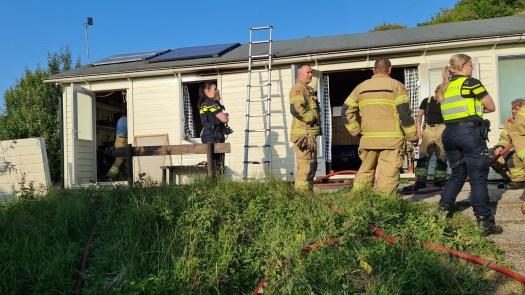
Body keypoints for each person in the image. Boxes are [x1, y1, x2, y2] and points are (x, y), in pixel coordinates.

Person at [437, 53, 502, 236]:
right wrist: (475, 110)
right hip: (469, 134)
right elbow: (491, 107)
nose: (472, 68)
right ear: (462, 67)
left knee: (457, 174)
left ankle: (441, 212)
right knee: (478, 177)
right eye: (471, 65)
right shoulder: (470, 82)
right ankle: (484, 222)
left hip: (449, 134)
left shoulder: (445, 87)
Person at [342, 58, 418, 195]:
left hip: (368, 140)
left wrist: (357, 131)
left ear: (373, 71)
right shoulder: (396, 86)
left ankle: (359, 203)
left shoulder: (361, 87)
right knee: (388, 177)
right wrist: (413, 137)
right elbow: (404, 114)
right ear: (390, 69)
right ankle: (383, 208)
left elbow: (345, 111)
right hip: (392, 142)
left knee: (365, 173)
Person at [289, 64, 321, 192]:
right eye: (308, 72)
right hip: (303, 136)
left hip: (309, 135)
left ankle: (308, 195)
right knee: (305, 167)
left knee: (311, 166)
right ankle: (302, 198)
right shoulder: (298, 88)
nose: (310, 75)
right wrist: (311, 119)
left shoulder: (307, 89)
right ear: (299, 75)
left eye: (311, 72)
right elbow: (296, 109)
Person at [411, 85, 448, 191]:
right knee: (423, 157)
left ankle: (439, 180)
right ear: (435, 91)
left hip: (442, 129)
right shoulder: (426, 101)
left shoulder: (446, 102)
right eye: (440, 94)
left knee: (442, 156)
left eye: (443, 94)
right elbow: (419, 117)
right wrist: (418, 130)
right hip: (428, 130)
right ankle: (420, 181)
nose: (441, 96)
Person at [491, 98, 525, 189]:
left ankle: (519, 181)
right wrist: (500, 147)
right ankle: (509, 179)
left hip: (520, 149)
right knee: (490, 155)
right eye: (512, 108)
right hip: (510, 148)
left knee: (512, 155)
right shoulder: (509, 122)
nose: (513, 111)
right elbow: (504, 137)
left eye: (516, 109)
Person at [197, 82, 230, 173]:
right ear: (208, 91)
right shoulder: (211, 103)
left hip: (208, 135)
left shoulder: (204, 103)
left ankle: (214, 184)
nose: (217, 91)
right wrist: (226, 115)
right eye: (215, 89)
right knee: (217, 164)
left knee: (214, 164)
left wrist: (218, 100)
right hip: (213, 136)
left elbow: (213, 116)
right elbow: (224, 119)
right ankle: (215, 184)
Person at [107, 109, 128, 181]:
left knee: (125, 161)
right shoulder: (126, 120)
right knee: (119, 160)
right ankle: (111, 176)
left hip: (119, 140)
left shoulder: (120, 120)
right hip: (123, 141)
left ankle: (125, 178)